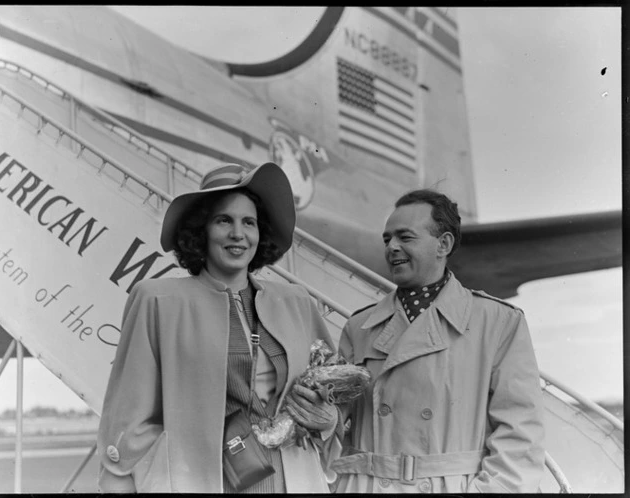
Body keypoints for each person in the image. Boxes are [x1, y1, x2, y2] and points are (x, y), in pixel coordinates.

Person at [97, 162, 339, 493]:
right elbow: (128, 418)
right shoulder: (158, 301)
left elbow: (335, 394)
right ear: (201, 231)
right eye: (224, 220)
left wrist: (329, 420)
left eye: (249, 222)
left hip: (293, 478)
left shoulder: (296, 302)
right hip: (204, 480)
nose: (238, 234)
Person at [330, 189, 546, 493]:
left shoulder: (498, 322)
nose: (392, 247)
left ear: (443, 244)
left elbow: (520, 436)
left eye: (405, 237)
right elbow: (333, 425)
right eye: (387, 239)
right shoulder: (359, 326)